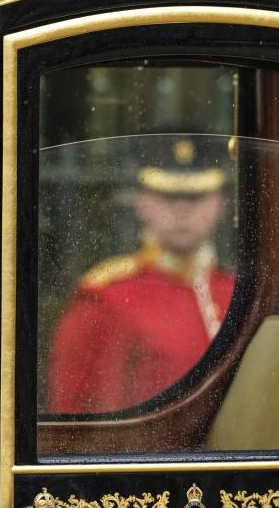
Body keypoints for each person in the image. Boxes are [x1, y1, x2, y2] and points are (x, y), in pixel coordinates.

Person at [46, 136, 235, 414]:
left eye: (196, 197)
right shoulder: (106, 298)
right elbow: (75, 417)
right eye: (167, 197)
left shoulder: (236, 291)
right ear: (142, 202)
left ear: (220, 204)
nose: (182, 210)